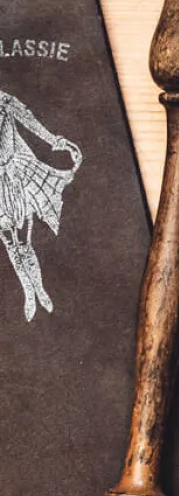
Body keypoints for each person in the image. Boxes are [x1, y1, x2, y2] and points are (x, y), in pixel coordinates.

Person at [0, 86, 82, 321]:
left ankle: (39, 289)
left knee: (24, 242)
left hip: (15, 177)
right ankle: (28, 292)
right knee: (10, 244)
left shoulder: (5, 102)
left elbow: (31, 122)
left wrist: (58, 142)